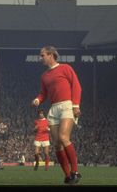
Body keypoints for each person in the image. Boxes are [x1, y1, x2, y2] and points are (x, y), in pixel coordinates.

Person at [31, 46, 82, 184]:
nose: (40, 58)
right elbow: (43, 93)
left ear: (51, 55)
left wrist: (76, 105)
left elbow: (76, 86)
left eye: (42, 55)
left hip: (66, 105)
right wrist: (37, 100)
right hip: (53, 109)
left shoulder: (65, 68)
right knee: (57, 144)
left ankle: (75, 171)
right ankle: (67, 175)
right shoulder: (44, 75)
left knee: (63, 137)